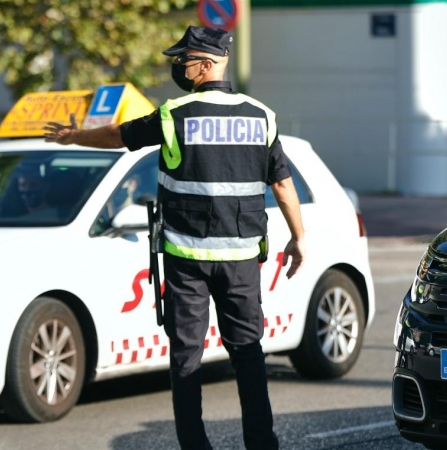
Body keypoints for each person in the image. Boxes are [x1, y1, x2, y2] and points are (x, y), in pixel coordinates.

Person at [44, 26, 305, 450]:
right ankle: (262, 443)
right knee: (248, 354)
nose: (178, 67)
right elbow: (282, 184)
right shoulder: (261, 115)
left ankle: (195, 446)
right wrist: (299, 237)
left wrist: (73, 136)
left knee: (186, 357)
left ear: (207, 63)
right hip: (241, 261)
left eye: (184, 60)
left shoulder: (175, 114)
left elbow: (117, 137)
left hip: (186, 258)